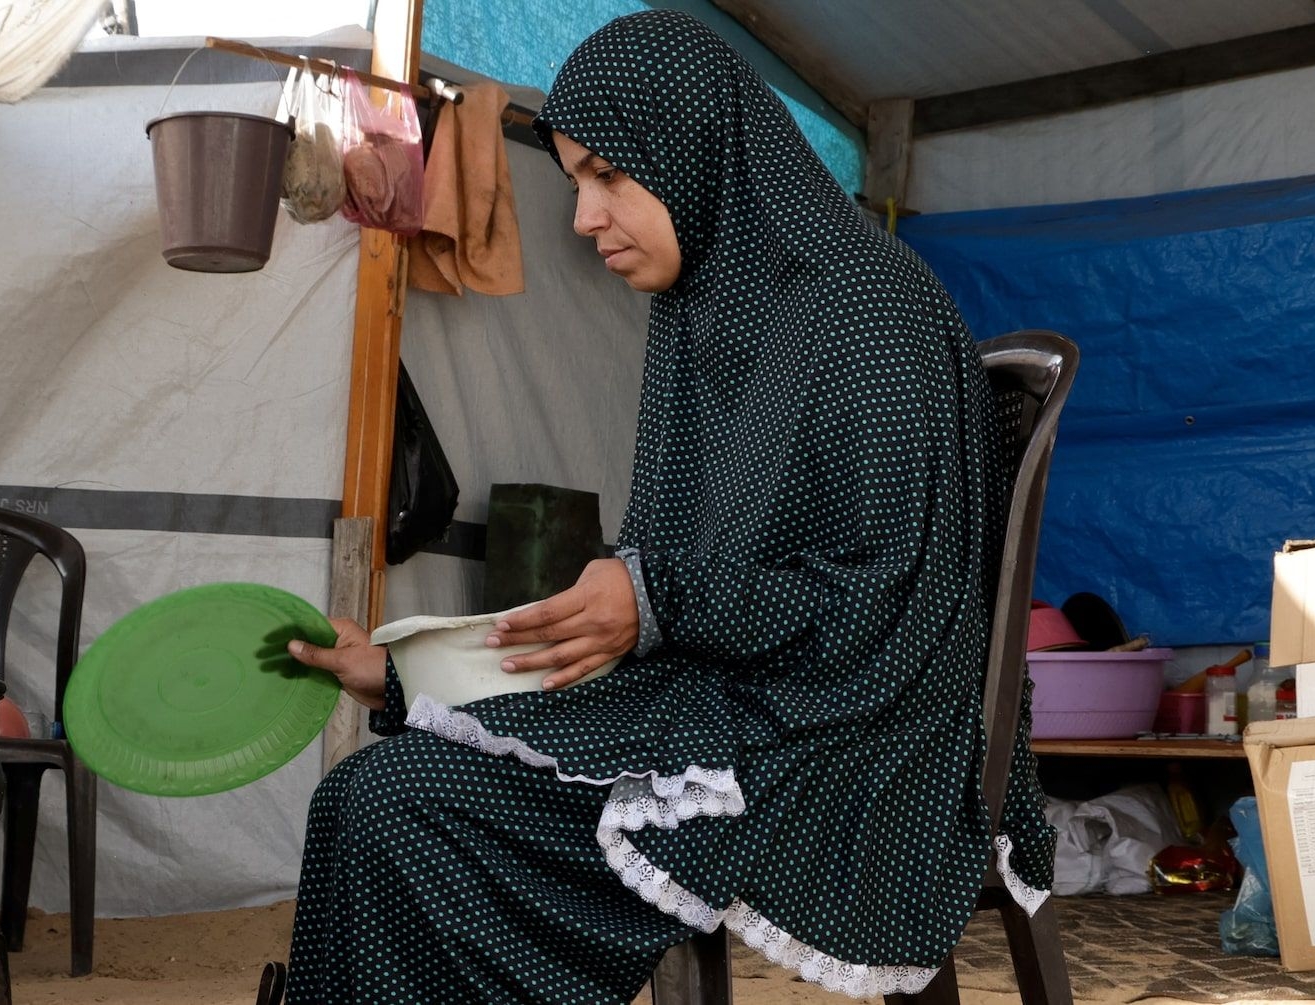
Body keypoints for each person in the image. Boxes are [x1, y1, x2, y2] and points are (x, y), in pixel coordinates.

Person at [278, 10, 1055, 1003]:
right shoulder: (705, 313)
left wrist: (658, 604)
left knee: (401, 805)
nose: (584, 218)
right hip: (737, 703)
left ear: (698, 147)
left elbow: (884, 609)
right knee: (359, 794)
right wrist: (411, 670)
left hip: (850, 731)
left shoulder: (870, 309)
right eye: (574, 183)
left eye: (609, 175)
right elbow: (661, 604)